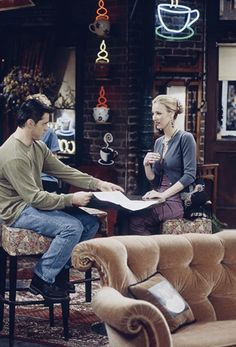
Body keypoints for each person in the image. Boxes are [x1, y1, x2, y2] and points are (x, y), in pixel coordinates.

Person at [0, 95, 124, 301]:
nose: (47, 128)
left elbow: (64, 171)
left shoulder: (37, 146)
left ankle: (57, 273)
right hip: (17, 211)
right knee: (72, 227)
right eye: (44, 124)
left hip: (32, 204)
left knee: (90, 223)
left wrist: (99, 184)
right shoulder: (14, 155)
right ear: (30, 123)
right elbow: (34, 199)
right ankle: (41, 279)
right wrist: (71, 199)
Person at [128, 94, 196, 235]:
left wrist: (163, 195)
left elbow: (190, 175)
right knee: (128, 215)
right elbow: (155, 180)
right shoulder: (159, 142)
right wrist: (146, 164)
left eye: (158, 113)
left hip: (175, 200)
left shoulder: (185, 138)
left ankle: (154, 253)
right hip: (160, 196)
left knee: (136, 221)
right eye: (153, 113)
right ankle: (155, 252)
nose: (154, 118)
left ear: (171, 114)